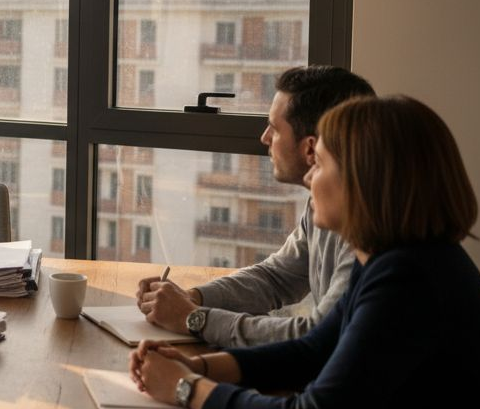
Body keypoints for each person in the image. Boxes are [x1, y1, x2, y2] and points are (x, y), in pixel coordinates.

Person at [129, 95, 480, 409]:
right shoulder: (391, 258)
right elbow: (313, 351)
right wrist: (200, 366)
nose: (310, 175)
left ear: (363, 181)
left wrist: (186, 389)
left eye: (322, 163)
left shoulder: (409, 280)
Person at [136, 66, 375, 346]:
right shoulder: (324, 202)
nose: (264, 138)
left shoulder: (370, 231)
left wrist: (193, 318)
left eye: (275, 128)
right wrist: (193, 298)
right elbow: (277, 277)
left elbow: (315, 337)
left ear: (310, 148)